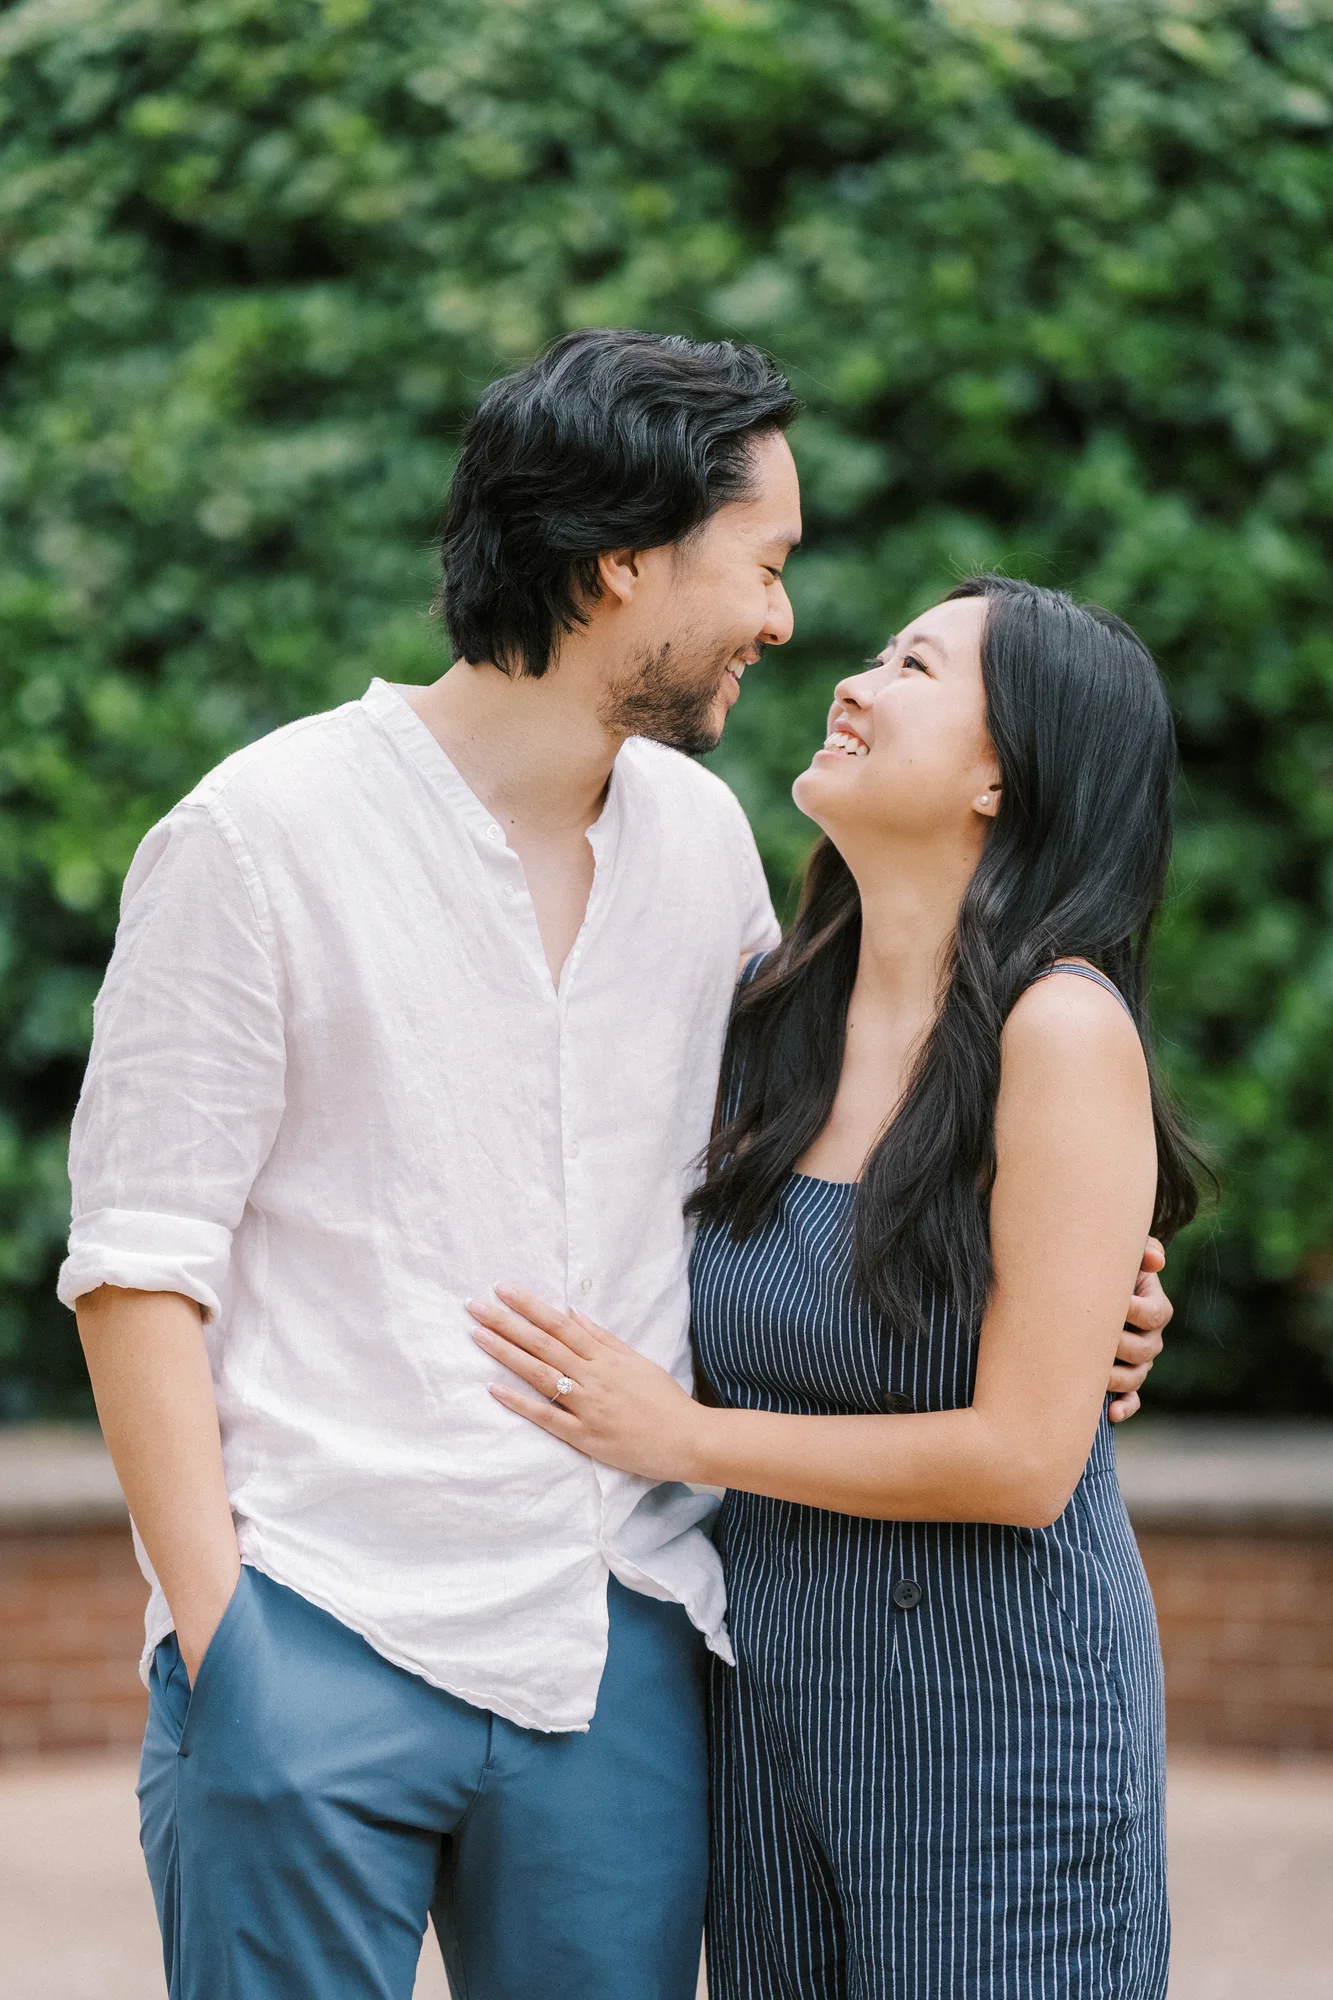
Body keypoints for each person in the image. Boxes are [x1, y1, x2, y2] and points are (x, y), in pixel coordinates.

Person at [60, 325, 1170, 2000]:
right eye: (767, 563)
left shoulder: (704, 845)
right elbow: (139, 1262)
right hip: (320, 1618)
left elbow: (832, 1179)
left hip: (623, 1650)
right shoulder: (255, 835)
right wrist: (229, 1648)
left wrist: (1093, 1299)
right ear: (622, 561)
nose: (789, 625)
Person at [469, 575, 1196, 1999]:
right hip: (774, 1714)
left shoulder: (1059, 1030)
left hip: (1001, 1728)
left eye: (914, 668)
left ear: (1006, 769)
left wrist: (678, 1438)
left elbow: (1027, 1460)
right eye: (878, 655)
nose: (853, 682)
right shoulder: (765, 1016)